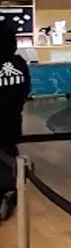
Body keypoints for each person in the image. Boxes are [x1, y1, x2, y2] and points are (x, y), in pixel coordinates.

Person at [0, 23, 30, 222]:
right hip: (12, 119)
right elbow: (26, 89)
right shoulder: (19, 63)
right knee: (9, 152)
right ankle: (10, 190)